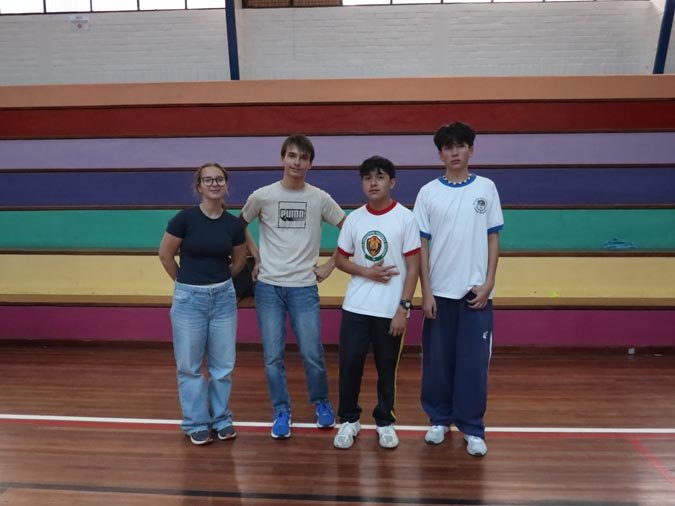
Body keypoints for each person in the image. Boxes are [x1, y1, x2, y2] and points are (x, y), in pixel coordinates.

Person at [240, 134, 346, 439]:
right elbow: (239, 226)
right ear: (282, 158)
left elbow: (351, 229)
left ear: (310, 164)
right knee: (273, 356)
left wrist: (331, 264)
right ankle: (281, 410)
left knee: (312, 352)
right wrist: (256, 256)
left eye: (303, 158)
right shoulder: (262, 196)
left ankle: (321, 403)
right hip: (268, 288)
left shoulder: (320, 198)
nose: (297, 162)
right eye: (292, 156)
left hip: (304, 288)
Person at [412, 122, 503, 457]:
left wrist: (489, 281)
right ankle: (438, 419)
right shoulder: (427, 193)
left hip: (475, 294)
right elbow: (421, 245)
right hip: (439, 294)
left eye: (460, 146)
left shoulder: (487, 188)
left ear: (471, 150)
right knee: (437, 362)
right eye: (448, 148)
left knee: (473, 365)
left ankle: (472, 427)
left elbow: (493, 237)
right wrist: (426, 291)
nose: (454, 152)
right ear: (440, 154)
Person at [332, 156, 420, 450]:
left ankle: (385, 421)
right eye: (368, 178)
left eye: (380, 177)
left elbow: (413, 267)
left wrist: (403, 307)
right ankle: (348, 420)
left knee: (387, 369)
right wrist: (366, 271)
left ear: (391, 182)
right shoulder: (354, 218)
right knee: (349, 366)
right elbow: (341, 259)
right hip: (355, 308)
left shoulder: (406, 218)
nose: (373, 183)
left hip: (390, 311)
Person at [159, 162, 247, 446]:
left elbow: (239, 262)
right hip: (189, 299)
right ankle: (196, 422)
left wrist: (217, 281)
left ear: (226, 185)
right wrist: (185, 283)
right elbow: (165, 255)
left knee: (223, 366)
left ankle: (221, 419)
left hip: (223, 299)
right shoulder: (183, 220)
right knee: (189, 366)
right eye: (208, 180)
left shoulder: (233, 225)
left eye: (219, 179)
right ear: (199, 186)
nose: (214, 184)